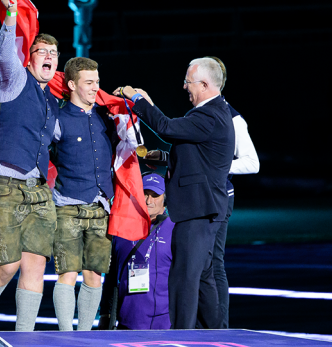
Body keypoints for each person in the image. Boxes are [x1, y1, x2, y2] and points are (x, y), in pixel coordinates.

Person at [114, 57, 235, 329]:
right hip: (203, 209)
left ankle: (181, 336)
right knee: (202, 279)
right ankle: (215, 333)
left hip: (198, 210)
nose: (184, 87)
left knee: (184, 279)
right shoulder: (214, 114)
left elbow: (168, 128)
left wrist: (138, 100)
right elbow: (198, 156)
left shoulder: (209, 115)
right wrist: (165, 156)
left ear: (204, 84)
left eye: (188, 82)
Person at [0, 0, 60, 344]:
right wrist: (10, 16)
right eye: (41, 50)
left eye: (54, 52)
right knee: (7, 264)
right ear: (30, 56)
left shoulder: (53, 101)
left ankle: (23, 339)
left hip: (37, 189)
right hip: (3, 181)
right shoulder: (15, 77)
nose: (48, 55)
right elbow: (5, 52)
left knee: (35, 263)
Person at [48, 57, 115, 331]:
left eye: (97, 82)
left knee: (94, 274)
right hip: (67, 207)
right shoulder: (58, 118)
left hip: (100, 207)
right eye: (89, 83)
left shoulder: (104, 117)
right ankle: (67, 336)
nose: (95, 88)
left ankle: (86, 336)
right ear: (73, 84)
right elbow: (35, 147)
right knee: (67, 273)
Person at [206, 56, 260, 329]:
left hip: (220, 197)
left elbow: (252, 163)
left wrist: (214, 165)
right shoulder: (205, 112)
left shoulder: (233, 118)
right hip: (203, 198)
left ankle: (220, 328)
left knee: (214, 263)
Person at [99, 172, 175, 330]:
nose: (149, 201)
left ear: (166, 199)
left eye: (155, 195)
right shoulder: (121, 229)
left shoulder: (175, 230)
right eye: (145, 194)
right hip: (126, 324)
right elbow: (111, 277)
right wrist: (105, 315)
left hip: (164, 327)